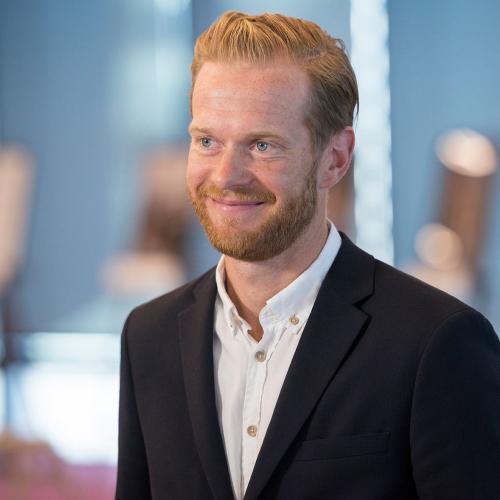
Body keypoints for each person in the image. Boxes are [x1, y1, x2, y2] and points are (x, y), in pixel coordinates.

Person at [115, 11, 500, 500]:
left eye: (262, 145)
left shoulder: (436, 341)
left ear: (335, 159)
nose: (227, 175)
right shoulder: (148, 336)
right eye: (207, 141)